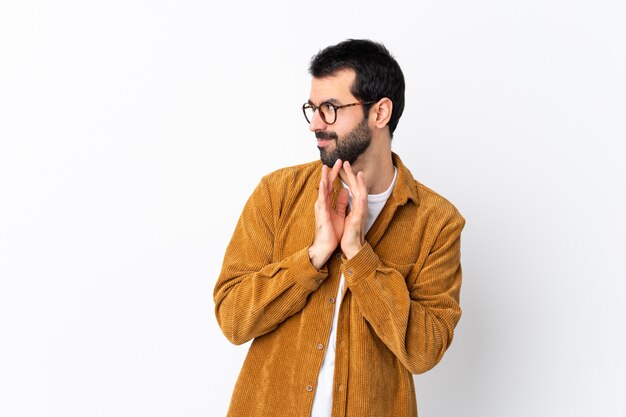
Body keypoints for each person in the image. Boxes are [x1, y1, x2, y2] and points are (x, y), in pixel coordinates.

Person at [214, 39, 465, 417]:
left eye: (330, 109)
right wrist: (313, 257)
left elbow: (425, 351)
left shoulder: (437, 222)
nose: (316, 123)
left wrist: (360, 258)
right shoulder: (277, 194)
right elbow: (233, 319)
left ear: (380, 113)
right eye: (312, 109)